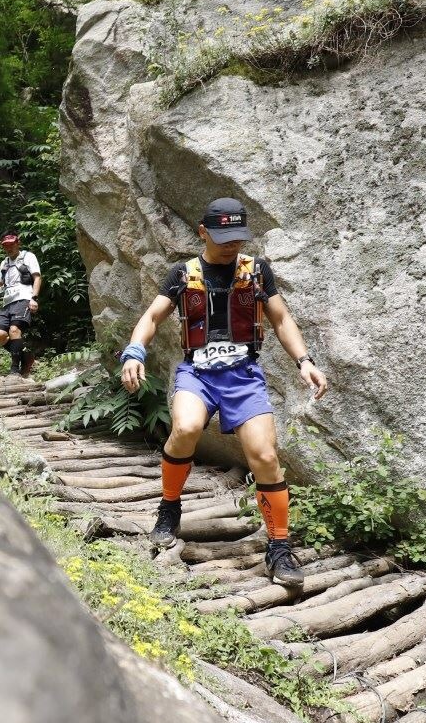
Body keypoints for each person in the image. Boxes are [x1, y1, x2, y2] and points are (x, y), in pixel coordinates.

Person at [118, 197, 328, 586]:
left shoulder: (258, 271)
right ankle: (169, 507)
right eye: (223, 237)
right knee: (185, 428)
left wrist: (305, 361)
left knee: (265, 456)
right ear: (203, 231)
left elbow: (281, 319)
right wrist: (134, 351)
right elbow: (151, 316)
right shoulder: (183, 273)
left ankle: (279, 548)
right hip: (197, 372)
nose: (233, 245)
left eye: (238, 237)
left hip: (243, 374)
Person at [0, 233, 42, 377]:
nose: (9, 247)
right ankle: (26, 357)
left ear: (18, 243)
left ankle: (14, 369)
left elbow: (37, 277)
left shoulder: (28, 256)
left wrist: (34, 298)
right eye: (6, 245)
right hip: (7, 302)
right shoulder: (4, 263)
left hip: (24, 298)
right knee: (0, 335)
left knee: (14, 330)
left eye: (12, 244)